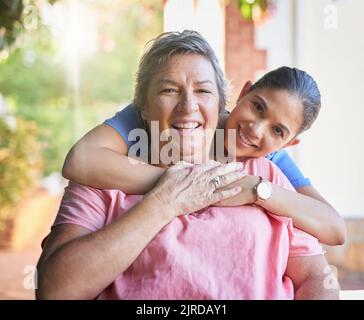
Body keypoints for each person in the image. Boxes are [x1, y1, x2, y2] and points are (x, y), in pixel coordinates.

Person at [36, 30, 339, 300]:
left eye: (203, 91)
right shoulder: (102, 177)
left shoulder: (267, 172)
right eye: (169, 90)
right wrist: (168, 198)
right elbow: (55, 290)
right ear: (141, 105)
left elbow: (318, 270)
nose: (188, 107)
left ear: (221, 103)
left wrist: (258, 191)